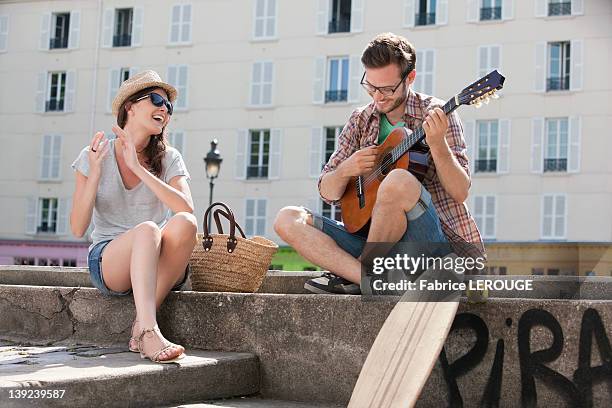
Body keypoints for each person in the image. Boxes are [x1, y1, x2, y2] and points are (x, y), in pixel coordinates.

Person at [274, 33, 485, 294]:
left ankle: (359, 274)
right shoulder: (360, 120)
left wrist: (439, 145)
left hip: (429, 250)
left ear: (410, 78)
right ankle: (368, 281)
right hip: (373, 244)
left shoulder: (437, 114)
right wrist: (347, 169)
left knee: (397, 181)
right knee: (288, 218)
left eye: (386, 89)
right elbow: (328, 192)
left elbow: (460, 191)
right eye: (371, 87)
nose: (378, 97)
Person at [70, 70, 197, 363]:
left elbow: (186, 208)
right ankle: (150, 332)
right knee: (147, 230)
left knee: (185, 224)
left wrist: (138, 168)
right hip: (109, 259)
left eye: (168, 106)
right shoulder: (94, 155)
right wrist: (95, 174)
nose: (164, 109)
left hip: (155, 258)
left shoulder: (169, 157)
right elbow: (77, 227)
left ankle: (141, 326)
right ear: (130, 106)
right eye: (156, 100)